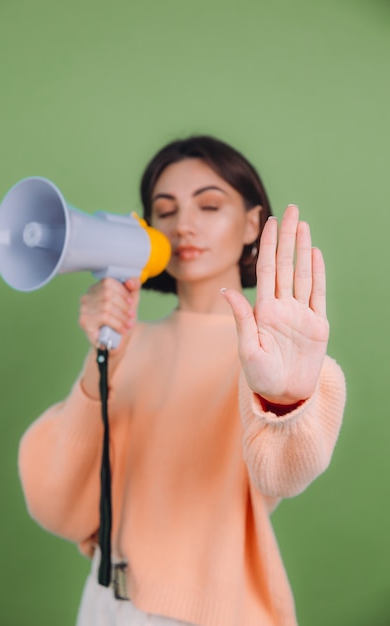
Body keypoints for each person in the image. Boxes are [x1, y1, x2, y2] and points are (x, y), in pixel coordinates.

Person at [18, 135, 346, 626]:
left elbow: (280, 474)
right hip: (108, 602)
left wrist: (282, 397)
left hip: (210, 611)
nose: (184, 225)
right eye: (164, 211)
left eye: (209, 205)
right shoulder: (130, 346)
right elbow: (57, 500)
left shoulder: (273, 356)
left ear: (252, 223)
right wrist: (102, 356)